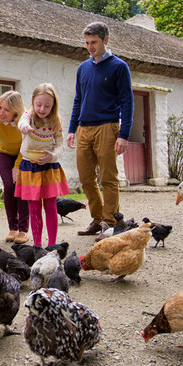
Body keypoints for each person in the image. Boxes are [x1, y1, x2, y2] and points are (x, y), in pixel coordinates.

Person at [66, 21, 134, 236]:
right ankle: (97, 219)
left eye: (94, 42)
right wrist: (71, 128)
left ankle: (110, 224)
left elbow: (127, 102)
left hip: (107, 126)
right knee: (86, 180)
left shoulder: (119, 67)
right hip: (84, 129)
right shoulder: (82, 68)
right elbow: (78, 99)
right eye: (87, 43)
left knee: (108, 178)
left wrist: (124, 135)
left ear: (105, 40)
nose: (90, 46)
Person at [15, 83, 70, 247]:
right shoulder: (29, 116)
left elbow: (60, 145)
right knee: (34, 207)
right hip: (29, 167)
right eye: (39, 104)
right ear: (33, 102)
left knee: (51, 206)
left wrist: (51, 156)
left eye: (47, 105)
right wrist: (24, 126)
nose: (42, 109)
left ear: (53, 105)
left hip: (49, 166)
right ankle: (37, 246)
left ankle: (52, 244)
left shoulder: (55, 121)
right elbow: (22, 122)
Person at [0, 90, 29, 244]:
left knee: (20, 186)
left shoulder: (24, 121)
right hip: (2, 153)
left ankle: (23, 230)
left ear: (16, 111)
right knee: (9, 186)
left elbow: (27, 144)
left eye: (7, 110)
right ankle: (13, 228)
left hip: (23, 153)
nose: (1, 112)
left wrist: (17, 166)